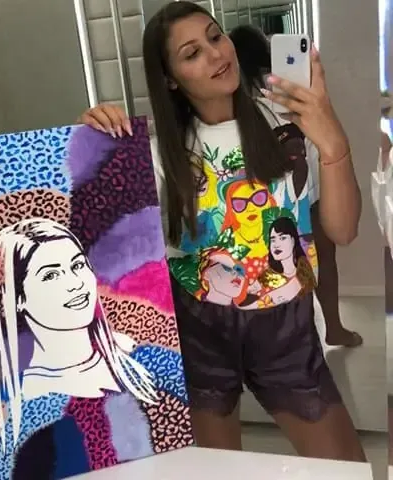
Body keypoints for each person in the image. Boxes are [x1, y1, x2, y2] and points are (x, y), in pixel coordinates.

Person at [79, 1, 366, 461]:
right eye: (192, 53)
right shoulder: (154, 155)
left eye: (215, 37)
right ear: (171, 79)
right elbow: (98, 247)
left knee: (346, 467)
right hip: (200, 333)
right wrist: (89, 149)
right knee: (216, 471)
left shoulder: (288, 126)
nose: (216, 54)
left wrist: (332, 138)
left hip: (287, 334)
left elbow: (344, 230)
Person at [229, 24, 363, 348]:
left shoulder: (243, 98)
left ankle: (309, 336)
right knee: (320, 261)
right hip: (309, 185)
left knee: (286, 265)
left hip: (281, 194)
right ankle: (331, 327)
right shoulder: (285, 85)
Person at [0, 217, 157, 453]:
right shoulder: (19, 402)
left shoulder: (142, 363)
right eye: (51, 275)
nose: (75, 283)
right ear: (18, 298)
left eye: (77, 265)